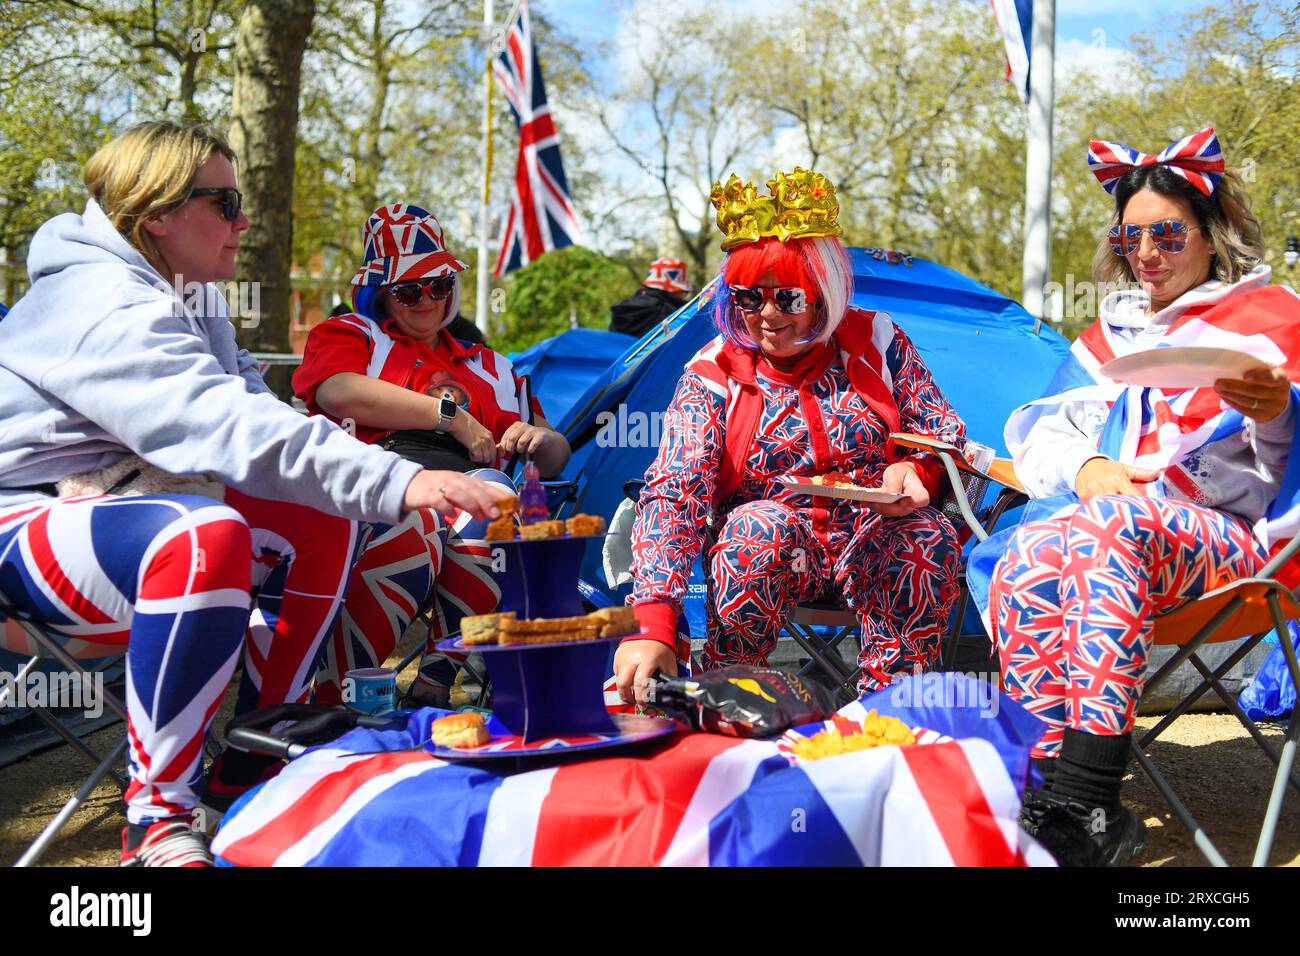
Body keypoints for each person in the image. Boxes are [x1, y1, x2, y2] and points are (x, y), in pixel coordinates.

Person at [0, 122, 503, 865]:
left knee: (325, 513)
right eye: (225, 203)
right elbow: (225, 425)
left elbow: (263, 414)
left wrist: (380, 486)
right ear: (158, 213)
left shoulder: (193, 294)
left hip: (123, 507)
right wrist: (402, 478)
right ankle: (158, 821)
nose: (244, 223)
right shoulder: (97, 298)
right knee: (202, 536)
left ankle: (256, 751)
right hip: (28, 523)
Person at [982, 127, 1300, 865]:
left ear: (1212, 233)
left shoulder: (1275, 316)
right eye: (1130, 237)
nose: (1147, 253)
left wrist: (1279, 412)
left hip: (1246, 551)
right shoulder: (1115, 334)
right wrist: (1088, 462)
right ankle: (1050, 792)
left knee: (1105, 525)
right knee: (1031, 551)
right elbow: (1046, 432)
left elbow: (1285, 466)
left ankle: (1090, 794)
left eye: (1168, 233)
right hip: (1124, 546)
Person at [613, 168, 967, 704]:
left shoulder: (877, 339)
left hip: (874, 544)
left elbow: (941, 432)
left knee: (925, 536)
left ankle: (892, 712)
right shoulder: (714, 371)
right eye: (748, 299)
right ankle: (735, 698)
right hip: (770, 555)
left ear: (824, 294)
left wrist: (916, 470)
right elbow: (674, 492)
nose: (767, 316)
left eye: (788, 298)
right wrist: (655, 622)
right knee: (756, 529)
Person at [294, 203, 571, 706]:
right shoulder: (353, 334)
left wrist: (538, 440)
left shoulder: (492, 366)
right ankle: (339, 697)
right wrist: (452, 418)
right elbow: (337, 392)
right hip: (368, 496)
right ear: (382, 292)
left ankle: (435, 684)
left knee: (496, 503)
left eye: (439, 285)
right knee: (417, 524)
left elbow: (555, 456)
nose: (426, 301)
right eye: (408, 290)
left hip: (471, 501)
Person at [608, 257, 690, 338]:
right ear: (676, 290)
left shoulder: (625, 308)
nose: (683, 296)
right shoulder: (670, 313)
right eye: (684, 292)